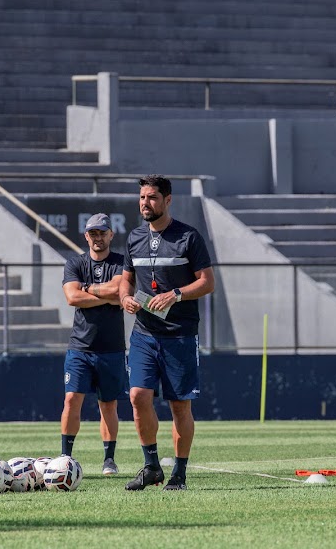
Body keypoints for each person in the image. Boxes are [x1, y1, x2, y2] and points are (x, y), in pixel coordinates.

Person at [119, 175, 214, 491]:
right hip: (144, 332)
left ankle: (180, 474)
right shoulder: (133, 237)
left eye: (153, 198)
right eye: (142, 197)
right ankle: (151, 466)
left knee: (179, 406)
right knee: (137, 396)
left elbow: (207, 282)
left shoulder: (188, 237)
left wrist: (176, 294)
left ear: (168, 200)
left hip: (180, 335)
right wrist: (125, 298)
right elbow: (126, 279)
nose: (146, 203)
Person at [60, 213, 128, 476]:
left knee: (108, 404)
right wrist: (108, 293)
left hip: (111, 346)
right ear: (86, 236)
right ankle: (65, 457)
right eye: (93, 233)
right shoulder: (75, 262)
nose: (97, 237)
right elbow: (72, 298)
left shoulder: (122, 262)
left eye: (102, 232)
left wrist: (88, 290)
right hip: (80, 346)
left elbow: (121, 291)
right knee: (71, 399)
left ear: (111, 234)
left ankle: (108, 459)